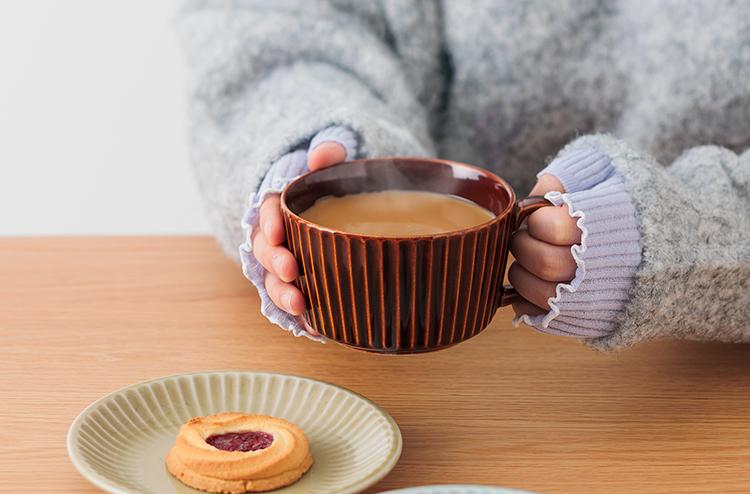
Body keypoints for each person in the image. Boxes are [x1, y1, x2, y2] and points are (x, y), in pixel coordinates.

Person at [178, 0, 749, 349]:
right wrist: (304, 144)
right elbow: (270, 25)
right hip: (401, 396)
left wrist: (688, 230)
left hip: (692, 404)